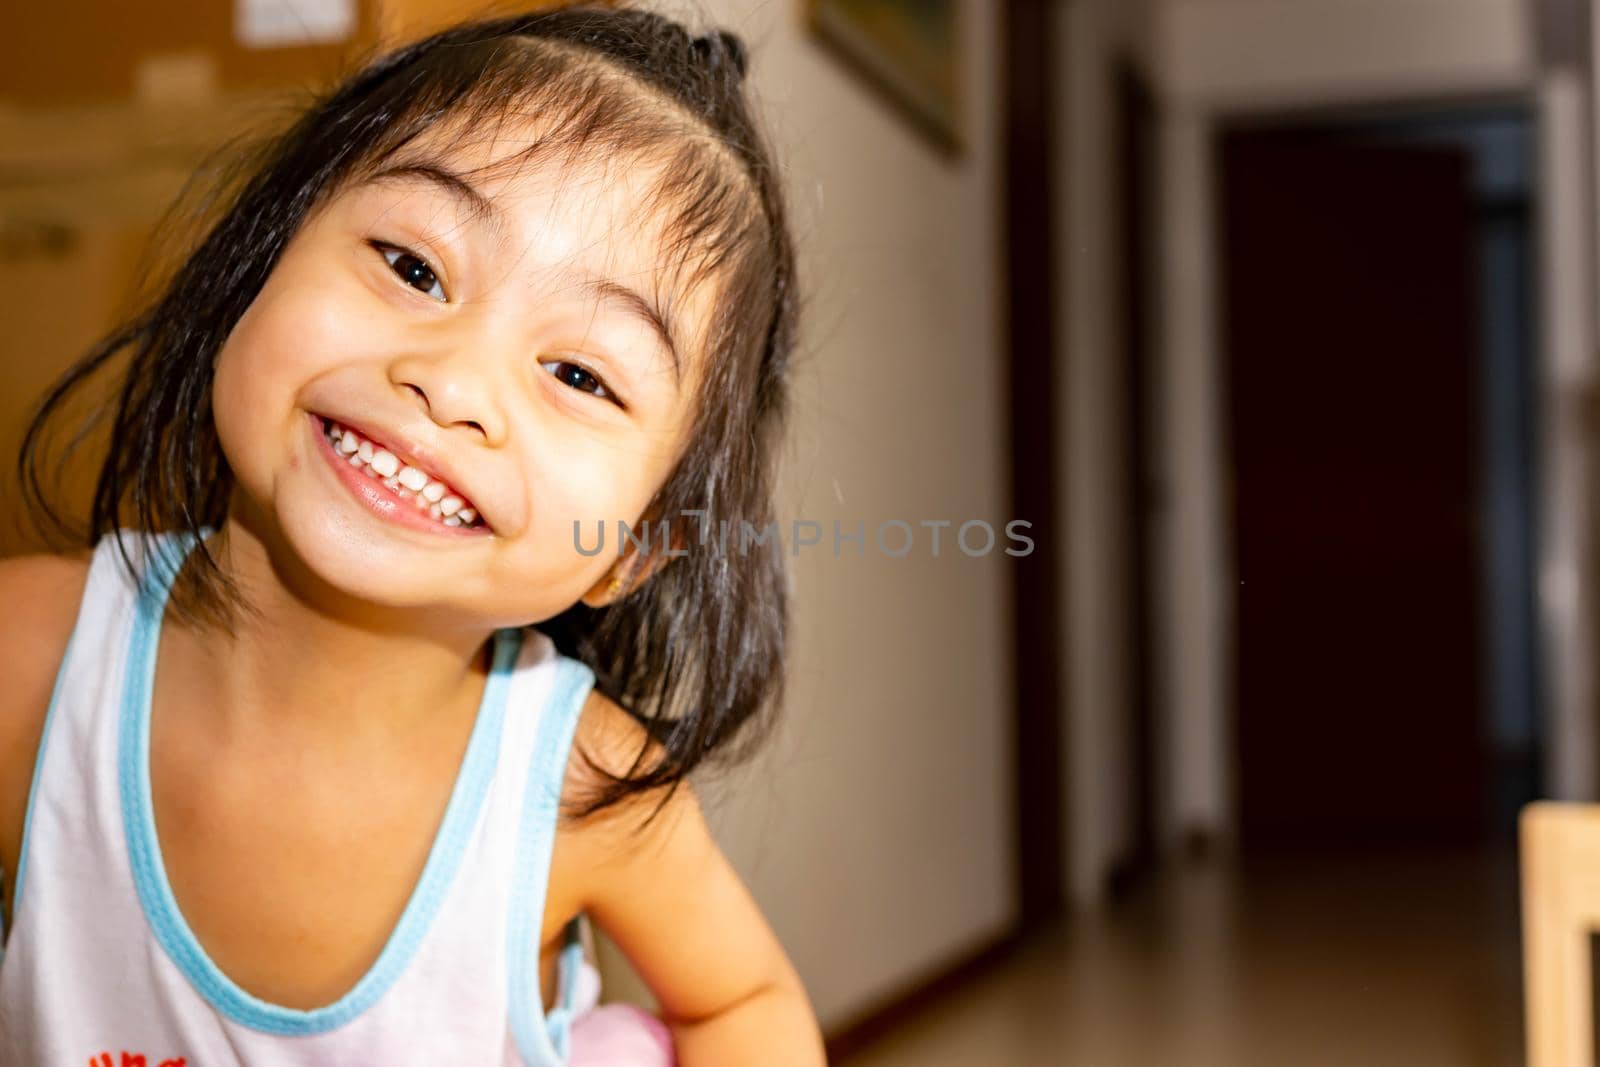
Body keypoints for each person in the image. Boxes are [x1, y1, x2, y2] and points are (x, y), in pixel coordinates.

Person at [0, 4, 823, 1065]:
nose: (450, 379)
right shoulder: (36, 653)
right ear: (255, 269)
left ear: (637, 545)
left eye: (578, 373)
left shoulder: (577, 782)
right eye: (411, 266)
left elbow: (743, 1001)